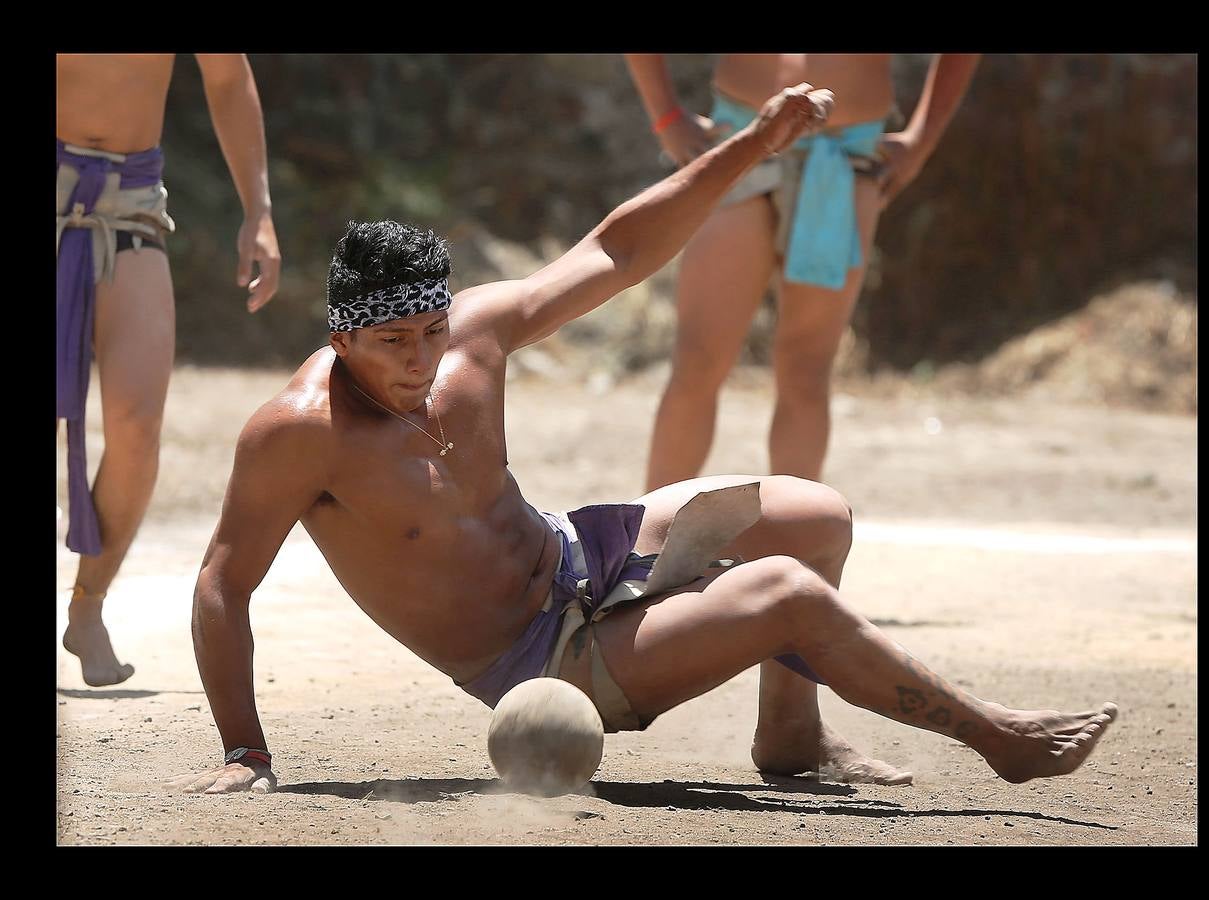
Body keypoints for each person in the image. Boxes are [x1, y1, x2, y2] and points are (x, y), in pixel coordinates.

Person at [163, 85, 1114, 796]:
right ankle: (999, 739)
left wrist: (752, 146)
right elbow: (221, 584)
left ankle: (792, 736)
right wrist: (245, 749)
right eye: (392, 344)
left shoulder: (474, 338)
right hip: (543, 659)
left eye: (432, 333)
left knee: (818, 518)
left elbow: (615, 251)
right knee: (784, 592)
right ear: (341, 341)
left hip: (585, 552)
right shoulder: (298, 436)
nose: (420, 361)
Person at [625, 54, 980, 490]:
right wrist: (666, 116)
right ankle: (649, 530)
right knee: (697, 361)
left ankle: (794, 531)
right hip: (740, 138)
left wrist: (923, 137)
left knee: (806, 372)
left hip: (845, 156)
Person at [56, 54, 282, 686]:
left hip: (130, 200)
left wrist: (258, 210)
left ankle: (88, 605)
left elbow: (228, 79)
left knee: (136, 426)